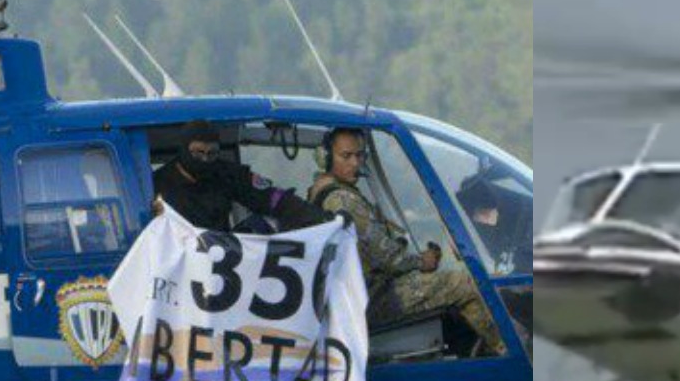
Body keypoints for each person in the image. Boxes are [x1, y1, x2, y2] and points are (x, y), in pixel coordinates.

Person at [309, 127, 507, 356]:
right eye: (346, 156)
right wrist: (422, 262)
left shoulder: (321, 192)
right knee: (465, 284)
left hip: (355, 296)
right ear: (326, 157)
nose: (355, 163)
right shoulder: (341, 199)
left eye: (360, 155)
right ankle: (510, 356)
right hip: (371, 299)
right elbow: (388, 258)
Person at [152, 120, 327, 232]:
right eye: (198, 153)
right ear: (183, 149)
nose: (205, 159)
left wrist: (324, 219)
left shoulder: (225, 174)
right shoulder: (156, 184)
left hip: (222, 258)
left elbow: (274, 199)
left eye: (211, 153)